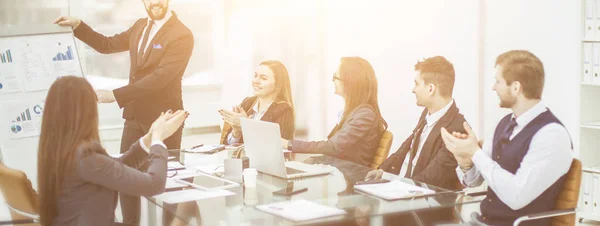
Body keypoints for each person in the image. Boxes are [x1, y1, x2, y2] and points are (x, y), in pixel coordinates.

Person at [54, 0, 194, 224]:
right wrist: (79, 26)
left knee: (168, 184)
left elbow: (160, 78)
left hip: (163, 121)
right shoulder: (139, 26)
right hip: (134, 117)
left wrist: (116, 95)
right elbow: (106, 45)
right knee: (125, 178)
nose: (155, 2)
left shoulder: (182, 35)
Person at [440, 50, 573, 226]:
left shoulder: (552, 135)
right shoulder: (503, 124)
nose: (493, 87)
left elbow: (516, 197)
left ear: (516, 87)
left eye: (498, 81)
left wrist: (475, 153)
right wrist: (465, 160)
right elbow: (474, 181)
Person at [37, 76, 188, 226]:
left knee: (183, 214)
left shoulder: (61, 151)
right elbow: (154, 184)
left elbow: (116, 167)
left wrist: (149, 137)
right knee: (183, 214)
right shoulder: (86, 158)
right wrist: (158, 140)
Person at [365, 56, 465, 191]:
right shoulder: (428, 114)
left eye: (417, 84)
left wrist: (392, 184)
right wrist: (383, 171)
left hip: (418, 203)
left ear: (431, 89)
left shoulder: (457, 129)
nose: (413, 90)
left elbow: (430, 179)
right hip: (401, 190)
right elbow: (407, 147)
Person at [282, 57, 387, 167]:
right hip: (337, 171)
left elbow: (332, 147)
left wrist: (288, 144)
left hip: (348, 176)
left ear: (350, 82)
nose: (333, 80)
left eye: (335, 77)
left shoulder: (365, 115)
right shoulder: (352, 112)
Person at [218, 60, 295, 144]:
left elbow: (277, 145)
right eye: (255, 76)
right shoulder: (247, 103)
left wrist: (246, 125)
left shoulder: (284, 110)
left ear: (277, 85)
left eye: (263, 78)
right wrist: (236, 132)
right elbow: (225, 146)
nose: (256, 81)